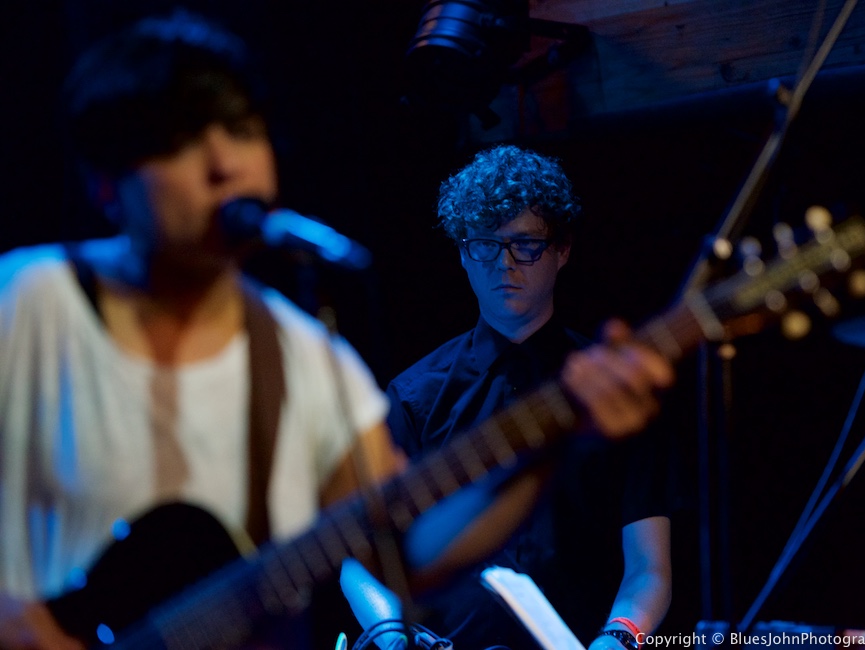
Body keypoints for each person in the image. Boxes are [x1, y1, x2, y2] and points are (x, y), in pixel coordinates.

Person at [0, 12, 674, 650]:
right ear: (105, 184)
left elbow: (406, 551)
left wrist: (548, 445)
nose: (222, 164)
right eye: (179, 141)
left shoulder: (303, 354)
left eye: (240, 131)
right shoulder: (31, 301)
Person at [385, 145, 673, 650]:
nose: (505, 264)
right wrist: (392, 634)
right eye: (484, 244)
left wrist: (618, 639)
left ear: (562, 251)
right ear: (461, 253)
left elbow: (650, 568)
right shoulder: (414, 397)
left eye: (526, 245)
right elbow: (364, 557)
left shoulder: (614, 391)